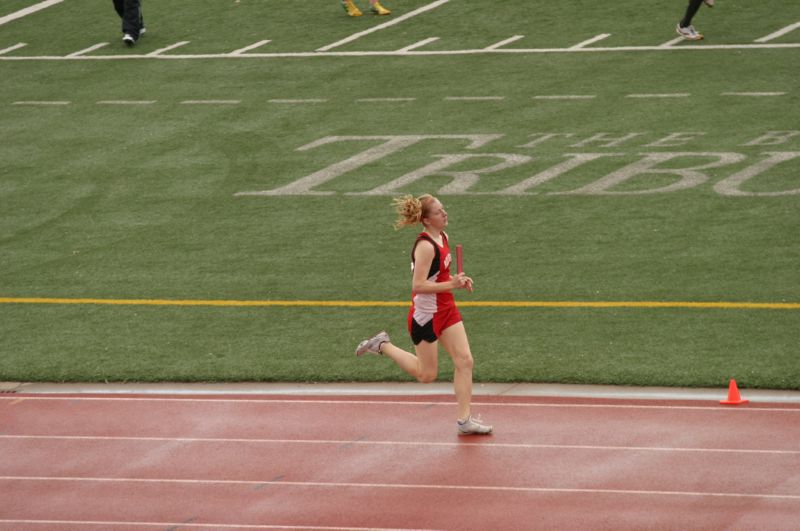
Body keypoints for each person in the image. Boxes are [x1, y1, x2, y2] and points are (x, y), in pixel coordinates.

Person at [355, 194, 492, 436]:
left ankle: (464, 420)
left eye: (444, 209)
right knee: (426, 375)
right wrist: (453, 286)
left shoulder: (443, 237)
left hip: (447, 309)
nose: (445, 214)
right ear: (427, 220)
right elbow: (418, 285)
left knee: (465, 361)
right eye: (439, 212)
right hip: (426, 316)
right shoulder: (425, 246)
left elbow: (438, 277)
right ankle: (382, 345)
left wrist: (456, 280)